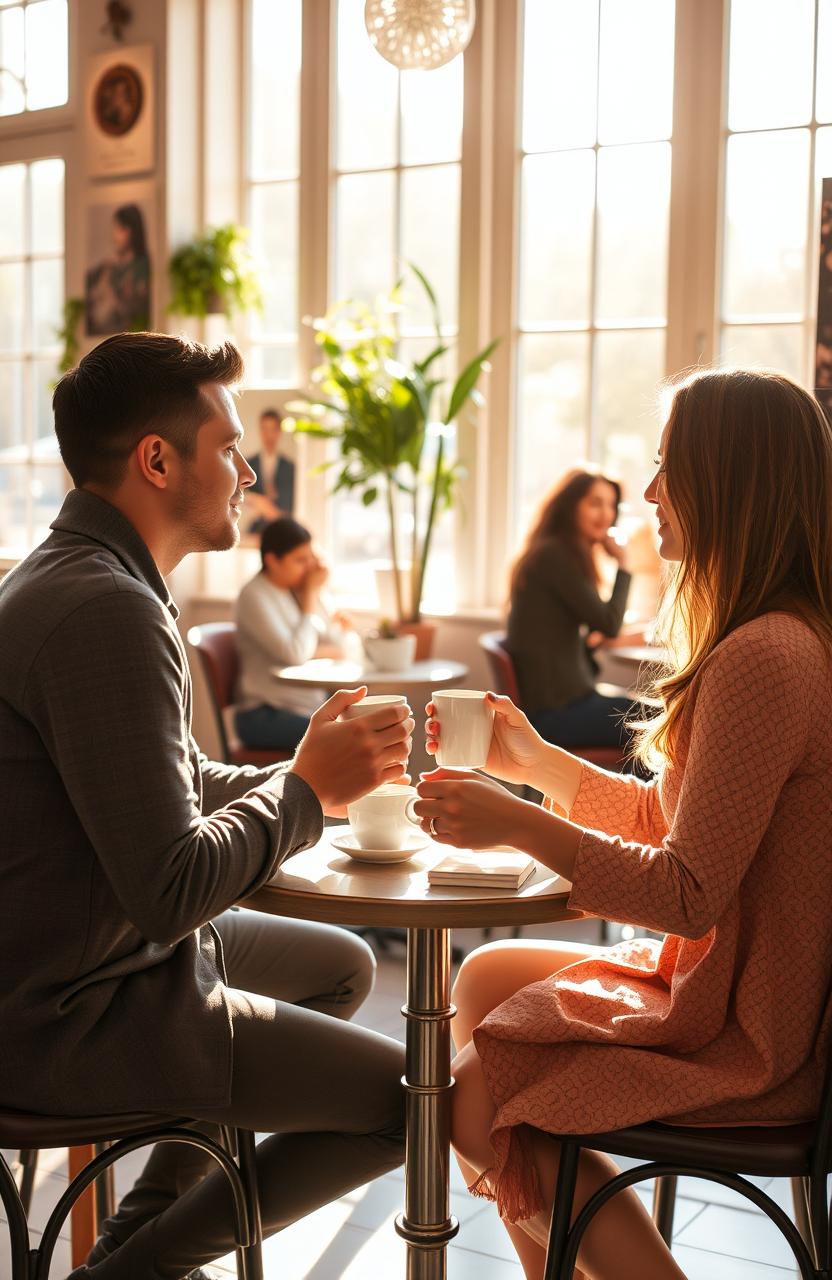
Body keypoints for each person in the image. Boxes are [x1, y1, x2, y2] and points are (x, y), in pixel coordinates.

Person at [0, 332, 414, 1280]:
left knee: (340, 965)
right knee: (414, 1099)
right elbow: (173, 887)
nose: (250, 467)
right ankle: (130, 1274)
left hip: (87, 960)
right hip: (68, 1008)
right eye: (229, 446)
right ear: (157, 459)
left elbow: (171, 780)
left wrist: (335, 794)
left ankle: (129, 1241)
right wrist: (307, 792)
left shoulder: (86, 576)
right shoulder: (104, 608)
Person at [413, 368, 832, 1280]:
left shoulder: (765, 658)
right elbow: (668, 820)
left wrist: (520, 828)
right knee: (483, 976)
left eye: (666, 468)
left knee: (471, 1099)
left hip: (750, 1033)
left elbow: (685, 894)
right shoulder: (778, 636)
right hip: (735, 989)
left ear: (731, 481)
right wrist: (534, 768)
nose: (647, 495)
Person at [506, 467, 635, 751]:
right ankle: (645, 796)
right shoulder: (555, 555)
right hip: (554, 716)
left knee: (647, 714)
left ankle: (637, 795)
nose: (606, 514)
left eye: (611, 505)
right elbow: (609, 623)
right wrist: (624, 564)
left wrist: (588, 641)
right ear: (569, 507)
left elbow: (582, 631)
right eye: (595, 503)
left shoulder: (554, 552)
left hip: (557, 706)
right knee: (655, 721)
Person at [234, 516, 347, 751]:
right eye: (300, 560)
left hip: (304, 707)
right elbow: (295, 654)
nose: (308, 568)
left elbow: (338, 644)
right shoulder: (254, 596)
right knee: (345, 737)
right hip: (264, 714)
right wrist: (309, 598)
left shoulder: (293, 591)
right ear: (272, 560)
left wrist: (318, 591)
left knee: (363, 725)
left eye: (311, 559)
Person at [85, 203, 150, 335]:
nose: (115, 236)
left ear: (131, 231)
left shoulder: (142, 267)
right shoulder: (109, 266)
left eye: (119, 229)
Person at [245, 407, 296, 532]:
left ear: (279, 431)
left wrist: (262, 505)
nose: (268, 435)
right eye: (264, 429)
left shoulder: (289, 467)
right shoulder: (248, 464)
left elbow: (288, 505)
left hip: (281, 530)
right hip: (254, 530)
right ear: (260, 430)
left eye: (272, 429)